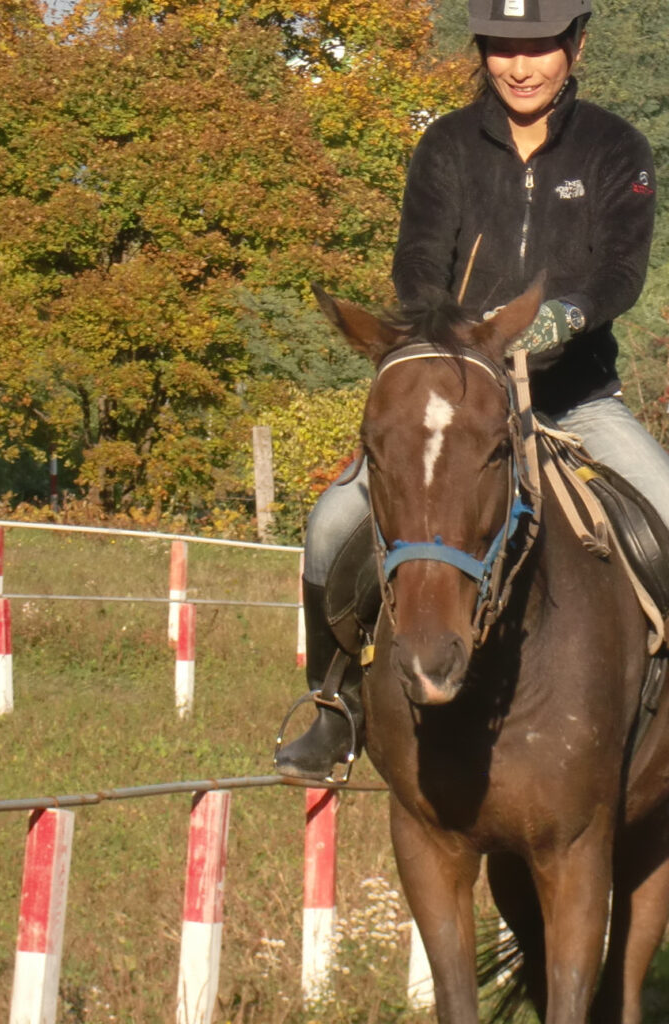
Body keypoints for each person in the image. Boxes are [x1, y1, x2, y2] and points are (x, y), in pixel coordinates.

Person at [275, 0, 666, 781]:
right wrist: (448, 338)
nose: (521, 67)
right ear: (484, 50)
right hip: (457, 400)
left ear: (575, 44)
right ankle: (335, 705)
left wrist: (565, 315)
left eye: (541, 48)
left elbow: (621, 270)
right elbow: (419, 263)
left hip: (576, 398)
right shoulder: (447, 145)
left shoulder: (617, 149)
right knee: (328, 526)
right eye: (503, 48)